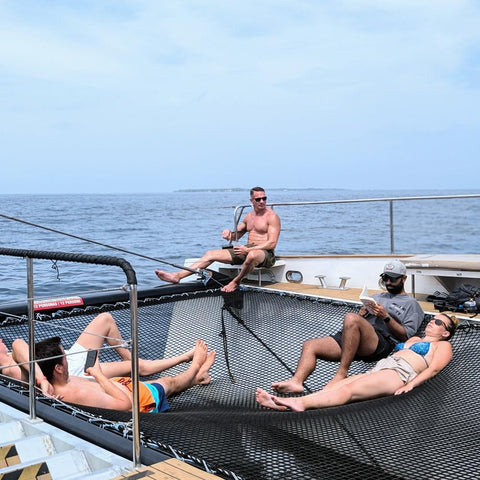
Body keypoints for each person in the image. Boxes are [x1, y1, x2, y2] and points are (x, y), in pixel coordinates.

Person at [272, 260, 424, 393]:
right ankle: (296, 382)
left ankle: (341, 374)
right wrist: (364, 312)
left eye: (393, 279)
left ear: (403, 278)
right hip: (355, 338)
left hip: (380, 342)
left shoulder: (412, 304)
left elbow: (406, 336)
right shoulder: (377, 296)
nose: (388, 282)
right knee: (310, 345)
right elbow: (360, 320)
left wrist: (386, 317)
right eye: (385, 278)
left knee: (351, 318)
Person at [257, 313, 458, 412]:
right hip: (381, 368)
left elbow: (434, 369)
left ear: (446, 332)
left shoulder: (442, 346)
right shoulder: (415, 340)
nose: (432, 321)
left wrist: (411, 385)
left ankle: (299, 403)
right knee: (334, 386)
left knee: (348, 391)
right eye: (433, 318)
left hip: (399, 375)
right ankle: (282, 405)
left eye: (438, 322)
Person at [1, 312, 195, 394]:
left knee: (105, 319)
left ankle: (133, 363)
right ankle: (185, 357)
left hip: (68, 356)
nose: (2, 340)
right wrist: (42, 379)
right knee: (139, 367)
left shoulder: (12, 356)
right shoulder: (10, 369)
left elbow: (18, 346)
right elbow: (19, 344)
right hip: (71, 371)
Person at [35, 337, 216, 413]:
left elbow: (19, 346)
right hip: (139, 401)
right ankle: (195, 369)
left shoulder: (55, 383)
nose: (68, 359)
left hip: (122, 386)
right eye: (65, 357)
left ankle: (199, 378)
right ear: (58, 368)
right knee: (168, 383)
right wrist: (98, 374)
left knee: (157, 380)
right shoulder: (77, 393)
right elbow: (125, 405)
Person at [154, 186, 281, 293]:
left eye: (264, 198)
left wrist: (247, 250)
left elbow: (272, 244)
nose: (262, 201)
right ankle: (178, 276)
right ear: (251, 200)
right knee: (210, 254)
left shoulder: (272, 217)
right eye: (258, 199)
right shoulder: (249, 216)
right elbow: (236, 235)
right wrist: (228, 234)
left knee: (252, 254)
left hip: (264, 253)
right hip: (246, 249)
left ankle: (236, 282)